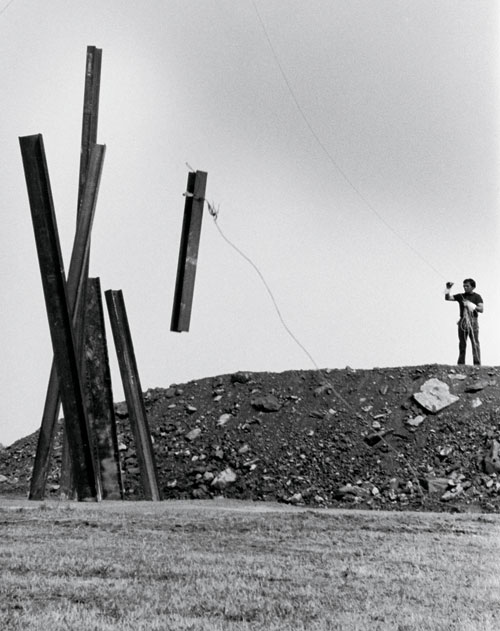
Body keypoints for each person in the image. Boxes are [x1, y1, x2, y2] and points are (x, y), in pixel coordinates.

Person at [445, 278, 483, 365]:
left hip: (473, 320)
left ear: (472, 287)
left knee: (475, 342)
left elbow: (481, 309)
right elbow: (448, 298)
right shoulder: (460, 296)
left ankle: (477, 363)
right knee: (462, 342)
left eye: (467, 286)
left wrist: (470, 305)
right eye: (464, 286)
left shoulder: (477, 297)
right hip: (463, 320)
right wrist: (448, 288)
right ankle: (461, 363)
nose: (465, 287)